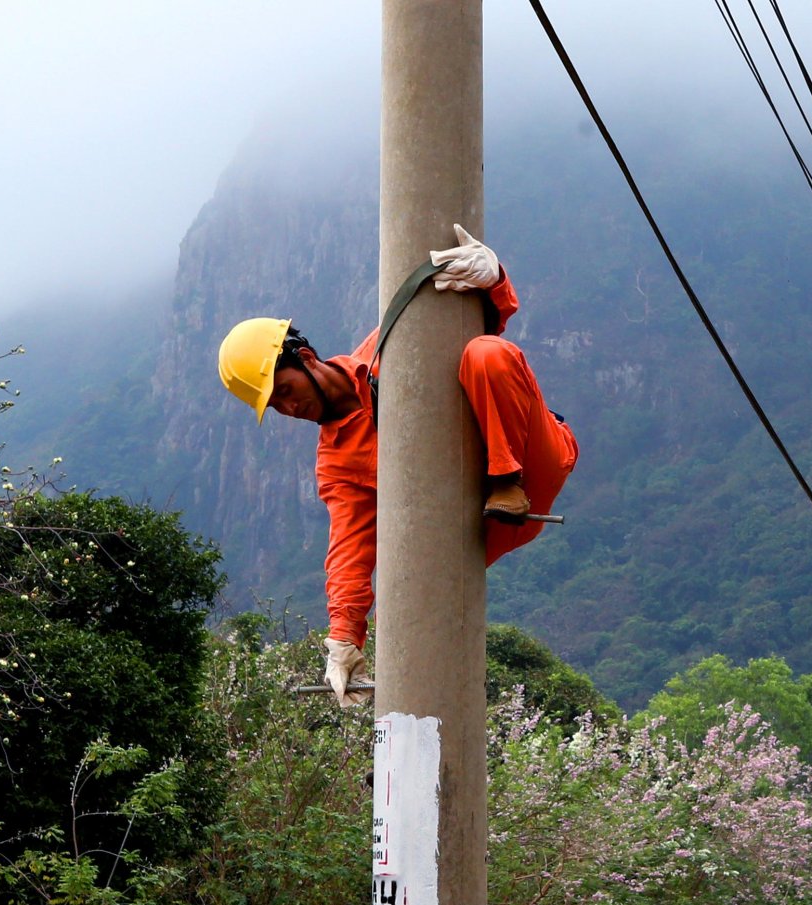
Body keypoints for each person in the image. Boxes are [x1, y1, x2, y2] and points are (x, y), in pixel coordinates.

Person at [216, 225, 580, 706]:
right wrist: (344, 639)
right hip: (472, 518)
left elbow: (482, 314)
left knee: (486, 353)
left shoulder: (391, 347)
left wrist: (493, 278)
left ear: (305, 358)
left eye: (284, 391)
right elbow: (349, 548)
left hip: (528, 460)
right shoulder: (337, 460)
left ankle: (505, 481)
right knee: (403, 591)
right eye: (274, 407)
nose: (288, 408)